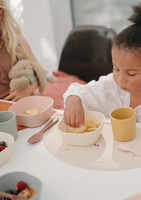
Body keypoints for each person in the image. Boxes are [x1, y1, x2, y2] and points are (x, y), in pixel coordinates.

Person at [63, 3, 141, 127]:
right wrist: (73, 100)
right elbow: (76, 89)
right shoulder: (111, 85)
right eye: (116, 68)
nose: (120, 78)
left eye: (131, 74)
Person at [0, 0, 43, 101]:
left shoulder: (16, 41)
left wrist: (28, 88)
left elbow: (41, 72)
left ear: (1, 14)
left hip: (18, 105)